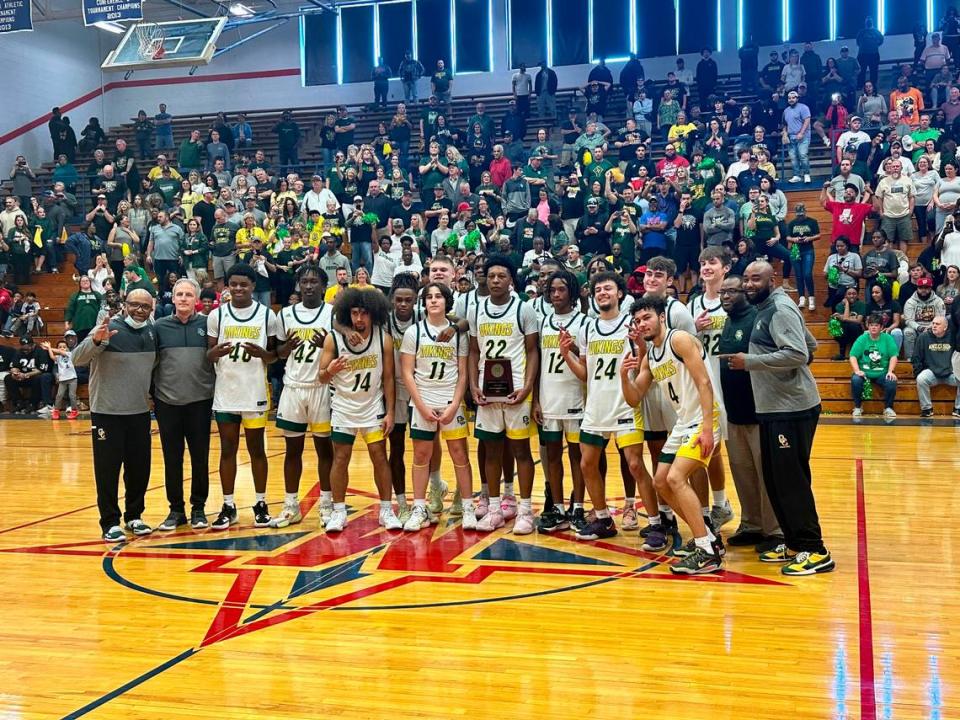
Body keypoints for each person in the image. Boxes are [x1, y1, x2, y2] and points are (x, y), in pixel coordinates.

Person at [721, 261, 834, 576]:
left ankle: (814, 549)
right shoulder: (768, 307)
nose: (749, 284)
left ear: (774, 280)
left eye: (756, 278)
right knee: (776, 479)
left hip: (791, 409)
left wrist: (751, 362)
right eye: (746, 278)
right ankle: (795, 542)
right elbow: (808, 345)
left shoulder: (779, 309)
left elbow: (799, 354)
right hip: (773, 408)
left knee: (791, 481)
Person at [619, 295, 724, 575]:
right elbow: (634, 398)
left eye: (647, 318)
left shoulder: (679, 340)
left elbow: (703, 381)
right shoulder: (649, 356)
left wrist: (707, 428)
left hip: (703, 417)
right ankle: (708, 538)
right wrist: (623, 376)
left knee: (677, 478)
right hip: (683, 422)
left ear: (661, 317)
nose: (642, 324)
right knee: (661, 482)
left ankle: (706, 550)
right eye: (637, 321)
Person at [557, 271, 651, 541]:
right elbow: (586, 373)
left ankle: (655, 523)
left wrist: (641, 346)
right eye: (598, 290)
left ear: (620, 293)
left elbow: (645, 360)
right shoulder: (587, 327)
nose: (602, 293)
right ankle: (602, 519)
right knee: (587, 464)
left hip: (625, 403)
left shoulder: (630, 323)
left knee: (634, 465)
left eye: (607, 288)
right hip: (596, 406)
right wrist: (566, 354)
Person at [72, 290, 157, 542]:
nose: (139, 310)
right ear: (124, 305)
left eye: (145, 307)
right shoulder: (107, 329)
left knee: (139, 468)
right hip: (107, 412)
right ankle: (109, 522)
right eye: (134, 305)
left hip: (139, 412)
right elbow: (77, 358)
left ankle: (134, 516)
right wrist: (96, 342)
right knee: (108, 470)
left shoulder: (152, 332)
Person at [317, 288, 398, 533]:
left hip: (372, 407)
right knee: (340, 458)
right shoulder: (334, 338)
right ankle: (339, 511)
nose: (359, 318)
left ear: (374, 314)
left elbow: (389, 379)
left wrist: (391, 412)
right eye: (354, 313)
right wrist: (330, 370)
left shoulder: (382, 338)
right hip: (343, 408)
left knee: (379, 455)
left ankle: (386, 509)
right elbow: (320, 377)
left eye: (364, 313)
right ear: (347, 313)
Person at [207, 263, 280, 531]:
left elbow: (274, 356)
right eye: (233, 284)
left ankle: (260, 503)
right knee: (227, 450)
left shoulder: (266, 315)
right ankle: (228, 505)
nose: (238, 288)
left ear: (253, 286)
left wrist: (263, 354)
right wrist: (215, 353)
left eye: (244, 284)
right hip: (226, 392)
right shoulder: (217, 315)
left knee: (257, 450)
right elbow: (208, 355)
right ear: (227, 286)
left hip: (254, 392)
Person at [468, 255, 539, 533]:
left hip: (517, 390)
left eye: (502, 276)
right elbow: (474, 351)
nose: (495, 280)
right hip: (487, 391)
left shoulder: (523, 309)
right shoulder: (476, 310)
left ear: (511, 280)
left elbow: (533, 351)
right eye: (491, 276)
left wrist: (528, 387)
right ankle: (495, 509)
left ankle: (525, 511)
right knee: (491, 452)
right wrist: (474, 385)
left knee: (521, 451)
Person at [399, 281, 476, 531]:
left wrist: (455, 404)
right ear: (424, 303)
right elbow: (408, 373)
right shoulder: (414, 332)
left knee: (459, 455)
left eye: (438, 296)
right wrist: (420, 406)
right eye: (429, 297)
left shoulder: (457, 335)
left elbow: (463, 373)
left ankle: (467, 507)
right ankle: (420, 506)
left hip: (450, 402)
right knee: (421, 456)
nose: (433, 300)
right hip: (423, 402)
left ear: (446, 302)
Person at [717, 274, 781, 550]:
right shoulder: (728, 322)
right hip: (734, 412)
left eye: (731, 292)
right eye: (722, 293)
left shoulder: (759, 317)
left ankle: (775, 530)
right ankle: (752, 524)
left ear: (744, 291)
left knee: (766, 473)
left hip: (760, 411)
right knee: (743, 473)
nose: (725, 297)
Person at [273, 264, 335, 527]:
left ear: (323, 285)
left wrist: (327, 345)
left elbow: (342, 351)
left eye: (314, 282)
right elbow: (278, 353)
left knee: (325, 450)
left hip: (322, 388)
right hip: (294, 388)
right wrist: (286, 346)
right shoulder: (285, 314)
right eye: (304, 281)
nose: (308, 286)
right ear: (298, 284)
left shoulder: (333, 314)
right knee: (292, 451)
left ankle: (327, 504)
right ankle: (290, 505)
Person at [153, 278, 216, 531]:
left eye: (188, 294)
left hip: (200, 402)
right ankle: (176, 509)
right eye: (179, 294)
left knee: (200, 458)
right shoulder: (159, 327)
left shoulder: (207, 325)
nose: (183, 298)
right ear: (172, 298)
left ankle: (198, 508)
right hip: (167, 403)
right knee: (172, 458)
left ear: (196, 299)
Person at [534, 269, 587, 533]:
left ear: (572, 292)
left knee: (577, 456)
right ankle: (556, 506)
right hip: (548, 399)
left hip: (575, 398)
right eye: (552, 290)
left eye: (562, 289)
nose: (556, 294)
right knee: (552, 456)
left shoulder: (584, 322)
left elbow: (588, 361)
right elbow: (537, 363)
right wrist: (535, 400)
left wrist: (573, 348)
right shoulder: (543, 321)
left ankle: (578, 506)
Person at [688, 247, 734, 529]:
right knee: (706, 448)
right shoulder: (692, 303)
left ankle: (719, 505)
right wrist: (694, 328)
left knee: (717, 449)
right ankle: (712, 508)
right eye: (703, 262)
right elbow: (681, 340)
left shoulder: (733, 300)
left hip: (728, 379)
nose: (706, 267)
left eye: (712, 262)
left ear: (725, 268)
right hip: (703, 381)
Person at [849, 313, 899, 423]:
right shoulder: (862, 339)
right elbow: (853, 356)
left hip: (882, 373)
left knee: (891, 380)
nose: (873, 327)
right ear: (867, 326)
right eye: (871, 325)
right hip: (864, 373)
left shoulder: (887, 338)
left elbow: (893, 356)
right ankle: (857, 407)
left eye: (876, 325)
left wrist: (890, 371)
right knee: (856, 379)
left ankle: (888, 408)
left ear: (881, 327)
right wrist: (857, 371)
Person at [912, 315, 960, 418]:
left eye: (937, 324)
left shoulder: (953, 337)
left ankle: (958, 408)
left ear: (945, 327)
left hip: (950, 373)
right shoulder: (923, 337)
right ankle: (927, 409)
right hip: (932, 373)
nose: (934, 326)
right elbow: (916, 357)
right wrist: (917, 372)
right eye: (933, 323)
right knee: (921, 378)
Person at [903, 276, 946, 357]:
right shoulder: (910, 302)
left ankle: (935, 358)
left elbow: (940, 318)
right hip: (916, 327)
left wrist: (930, 327)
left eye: (926, 287)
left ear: (930, 288)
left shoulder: (938, 301)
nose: (923, 290)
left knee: (939, 330)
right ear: (917, 288)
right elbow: (908, 320)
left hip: (933, 326)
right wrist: (920, 328)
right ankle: (910, 359)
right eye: (921, 287)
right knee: (908, 332)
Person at [783, 90, 812, 184]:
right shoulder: (786, 111)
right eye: (789, 98)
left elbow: (807, 120)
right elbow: (784, 124)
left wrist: (801, 133)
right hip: (791, 136)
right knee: (793, 157)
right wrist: (784, 135)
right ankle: (796, 175)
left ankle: (806, 174)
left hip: (803, 136)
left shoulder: (803, 108)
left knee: (803, 155)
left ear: (797, 98)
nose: (791, 99)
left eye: (793, 97)